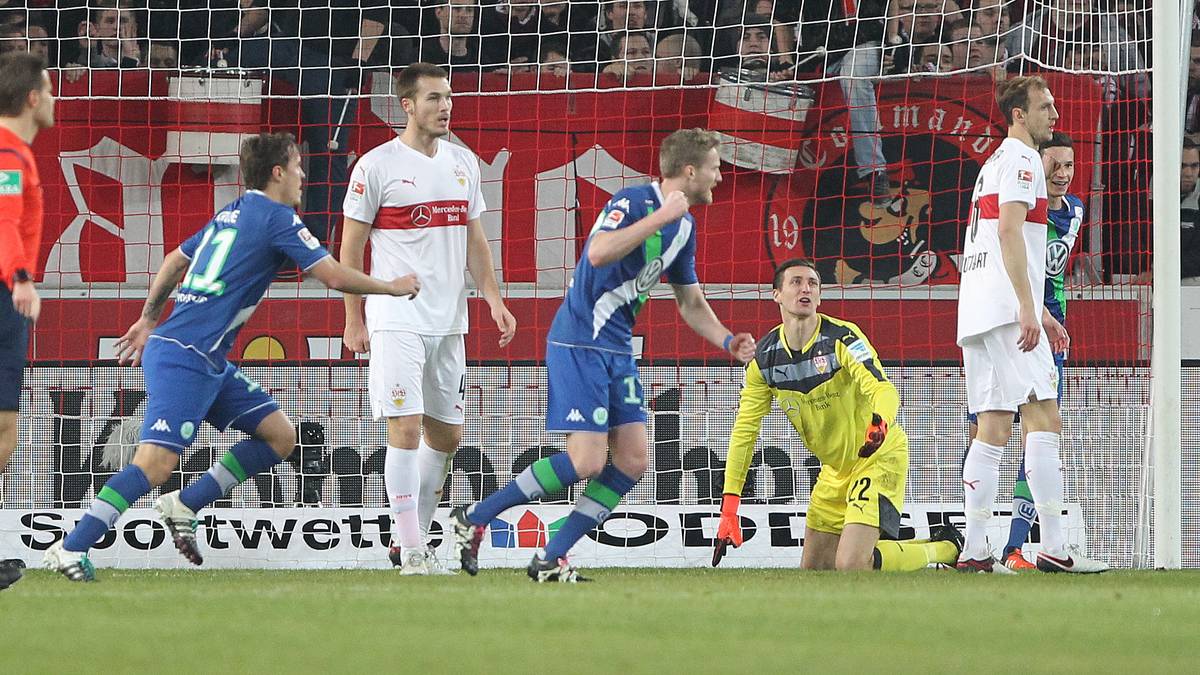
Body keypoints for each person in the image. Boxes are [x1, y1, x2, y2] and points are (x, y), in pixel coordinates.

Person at [43, 133, 420, 581]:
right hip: (186, 356)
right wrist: (391, 287)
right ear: (278, 172)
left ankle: (186, 504)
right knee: (153, 465)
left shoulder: (232, 212)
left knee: (280, 437)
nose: (304, 175)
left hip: (205, 359)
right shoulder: (279, 218)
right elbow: (332, 275)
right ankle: (69, 548)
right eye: (298, 166)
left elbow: (172, 260)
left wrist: (147, 319)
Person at [449, 128, 757, 582]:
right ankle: (476, 516)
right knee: (587, 462)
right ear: (689, 171)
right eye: (714, 168)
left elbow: (690, 302)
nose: (720, 178)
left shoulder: (685, 226)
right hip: (579, 342)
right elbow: (596, 253)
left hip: (616, 348)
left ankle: (551, 557)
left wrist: (727, 340)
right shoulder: (633, 203)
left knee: (633, 460)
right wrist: (659, 217)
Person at [340, 62, 516, 575]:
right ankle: (412, 546)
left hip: (449, 320)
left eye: (449, 98)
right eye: (435, 98)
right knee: (406, 427)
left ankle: (409, 540)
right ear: (408, 105)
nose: (445, 107)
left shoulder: (463, 163)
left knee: (447, 438)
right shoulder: (375, 166)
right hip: (395, 317)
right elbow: (349, 250)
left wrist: (493, 298)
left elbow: (475, 241)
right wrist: (355, 318)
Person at [713, 259, 963, 571]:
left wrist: (880, 423)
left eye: (813, 283)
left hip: (877, 456)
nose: (805, 288)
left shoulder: (843, 338)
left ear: (819, 296)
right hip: (834, 471)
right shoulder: (762, 361)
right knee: (816, 570)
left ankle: (945, 549)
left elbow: (884, 390)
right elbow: (744, 432)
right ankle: (927, 544)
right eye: (796, 282)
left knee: (851, 565)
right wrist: (729, 508)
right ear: (776, 294)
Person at [956, 76, 1106, 574]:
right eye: (1045, 107)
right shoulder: (1022, 160)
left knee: (992, 425)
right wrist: (1028, 305)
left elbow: (1002, 240)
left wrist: (1035, 308)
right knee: (1043, 415)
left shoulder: (992, 163)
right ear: (1019, 113)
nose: (1055, 115)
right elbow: (1008, 231)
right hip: (1005, 309)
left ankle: (975, 551)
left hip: (977, 308)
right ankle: (1056, 547)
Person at [0, 51, 54, 591]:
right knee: (4, 428)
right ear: (32, 97)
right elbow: (4, 221)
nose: (55, 99)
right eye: (50, 89)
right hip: (3, 295)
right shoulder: (8, 156)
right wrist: (20, 277)